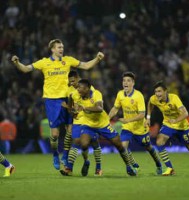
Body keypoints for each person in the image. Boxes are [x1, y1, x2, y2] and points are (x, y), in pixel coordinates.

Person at [11, 39, 104, 171]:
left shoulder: (68, 60)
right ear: (52, 49)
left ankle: (65, 156)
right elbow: (26, 69)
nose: (61, 49)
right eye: (59, 47)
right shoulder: (44, 62)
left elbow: (85, 66)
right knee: (54, 134)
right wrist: (17, 63)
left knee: (70, 131)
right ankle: (55, 154)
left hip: (67, 99)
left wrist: (97, 59)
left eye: (62, 47)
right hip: (52, 101)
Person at [60, 79, 137, 176]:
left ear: (87, 89)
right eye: (78, 87)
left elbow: (100, 108)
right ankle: (80, 164)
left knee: (119, 145)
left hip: (102, 124)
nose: (78, 90)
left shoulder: (96, 94)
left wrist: (85, 108)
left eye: (81, 88)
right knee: (83, 144)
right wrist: (70, 109)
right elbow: (71, 107)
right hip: (88, 125)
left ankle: (129, 167)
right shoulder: (75, 94)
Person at [109, 72, 162, 175]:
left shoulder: (138, 96)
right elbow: (115, 109)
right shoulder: (120, 94)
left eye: (128, 81)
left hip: (140, 128)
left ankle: (159, 164)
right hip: (127, 127)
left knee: (149, 147)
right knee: (123, 147)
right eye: (124, 81)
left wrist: (127, 120)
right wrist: (106, 119)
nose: (126, 83)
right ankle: (131, 167)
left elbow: (142, 115)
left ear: (133, 83)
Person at [146, 80, 189, 176]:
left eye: (159, 91)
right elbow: (150, 103)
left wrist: (175, 120)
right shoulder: (154, 99)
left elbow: (185, 113)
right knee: (159, 141)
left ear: (165, 91)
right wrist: (148, 117)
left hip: (182, 126)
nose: (157, 94)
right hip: (168, 124)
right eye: (155, 92)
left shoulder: (174, 98)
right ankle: (170, 168)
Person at [61, 70, 102, 176]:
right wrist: (71, 110)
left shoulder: (92, 91)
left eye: (73, 81)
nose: (72, 84)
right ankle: (70, 168)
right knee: (76, 142)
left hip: (90, 121)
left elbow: (98, 107)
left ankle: (98, 168)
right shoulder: (73, 94)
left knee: (94, 143)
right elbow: (71, 109)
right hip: (78, 121)